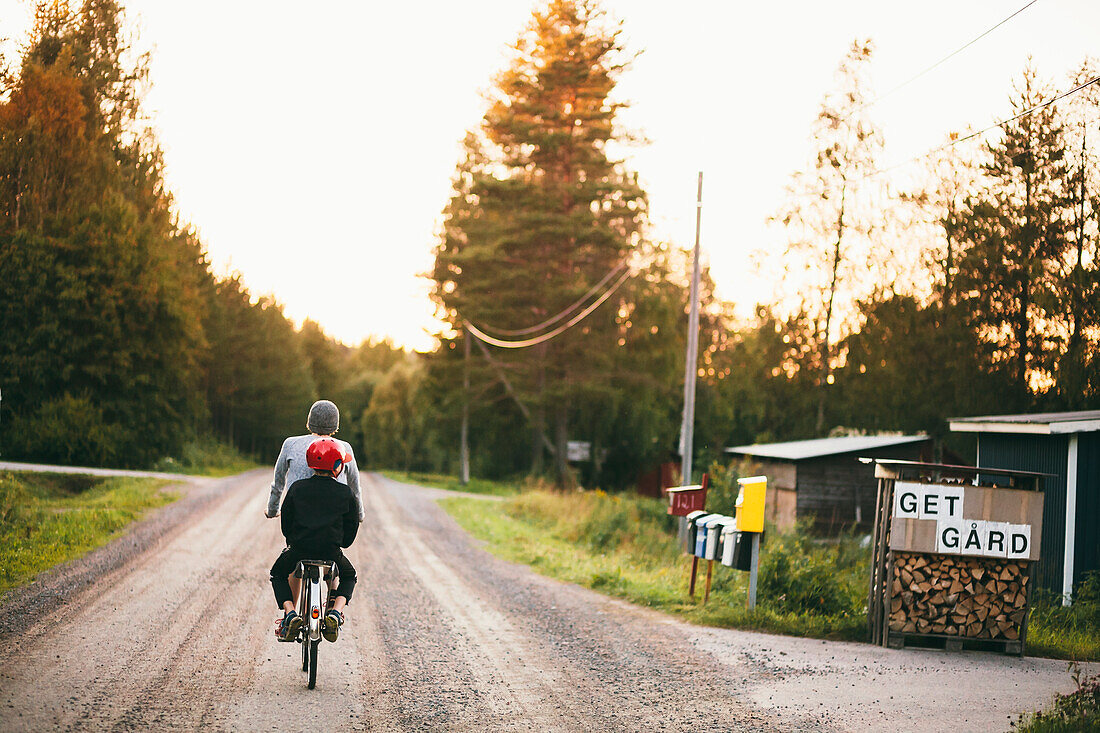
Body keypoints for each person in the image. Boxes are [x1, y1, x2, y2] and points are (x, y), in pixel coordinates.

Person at [271, 437, 359, 642]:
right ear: (336, 466)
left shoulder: (298, 488)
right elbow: (351, 527)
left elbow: (286, 522)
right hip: (330, 552)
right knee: (349, 576)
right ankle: (336, 613)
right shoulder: (345, 493)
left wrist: (293, 541)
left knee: (277, 573)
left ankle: (290, 614)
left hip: (299, 549)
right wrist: (341, 543)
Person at [266, 400, 365, 522]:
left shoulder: (290, 444)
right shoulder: (344, 448)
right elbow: (354, 486)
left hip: (299, 515)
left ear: (309, 421)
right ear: (335, 425)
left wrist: (273, 510)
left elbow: (279, 481)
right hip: (333, 518)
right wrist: (359, 515)